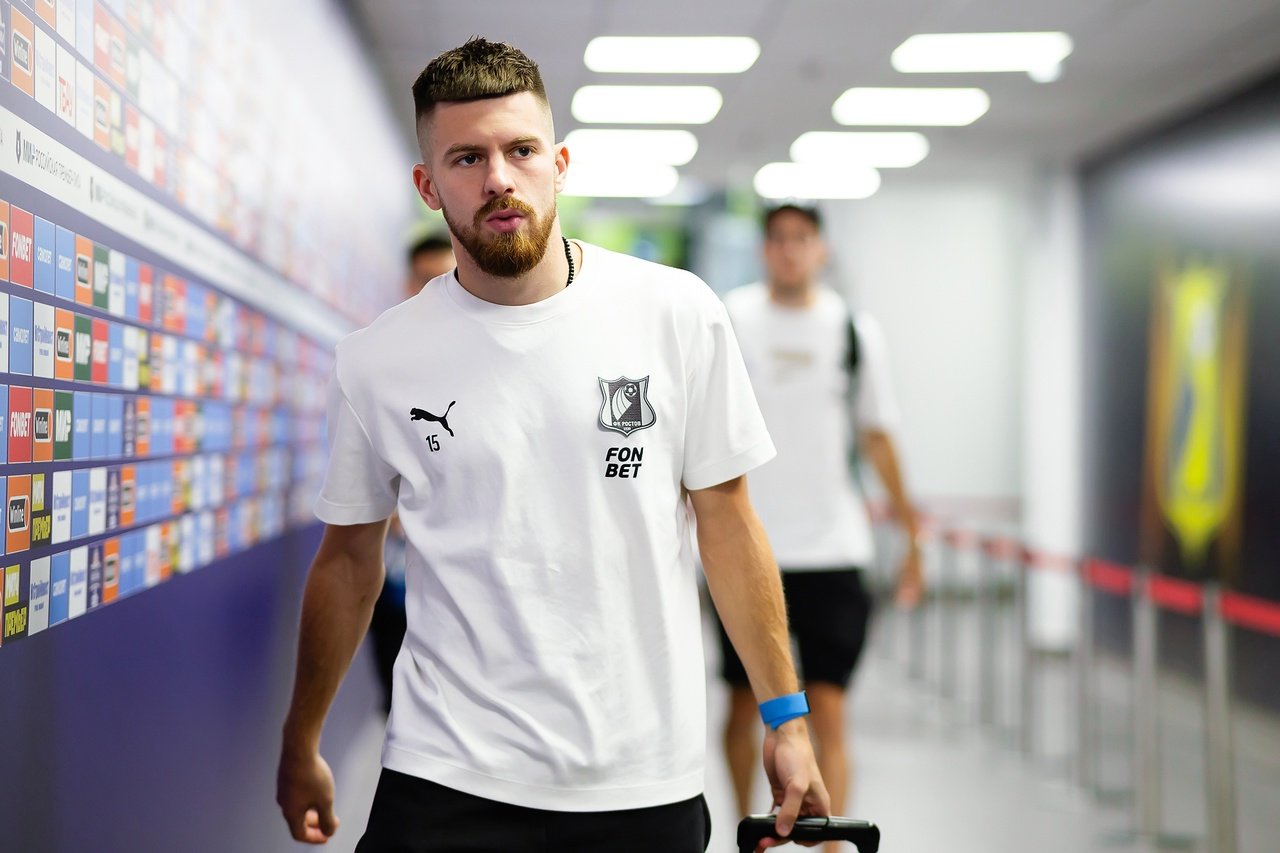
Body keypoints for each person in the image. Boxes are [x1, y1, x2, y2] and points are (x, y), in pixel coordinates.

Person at [276, 38, 828, 853]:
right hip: (445, 772)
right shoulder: (377, 361)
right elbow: (349, 559)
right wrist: (301, 738)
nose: (499, 178)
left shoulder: (675, 313)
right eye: (467, 158)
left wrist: (786, 716)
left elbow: (727, 520)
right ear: (429, 186)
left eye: (522, 150)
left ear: (559, 164)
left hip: (642, 778)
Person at [717, 204, 923, 852]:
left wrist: (912, 534)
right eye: (778, 239)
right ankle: (747, 834)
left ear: (820, 249)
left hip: (833, 547)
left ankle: (833, 844)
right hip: (749, 549)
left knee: (828, 707)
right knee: (743, 705)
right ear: (764, 249)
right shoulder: (732, 319)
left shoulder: (851, 330)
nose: (790, 250)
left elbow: (878, 434)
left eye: (801, 239)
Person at [367, 234, 457, 715]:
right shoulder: (381, 362)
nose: (434, 290)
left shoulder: (491, 359)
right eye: (425, 279)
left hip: (466, 579)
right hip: (398, 567)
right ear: (408, 283)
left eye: (445, 278)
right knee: (400, 699)